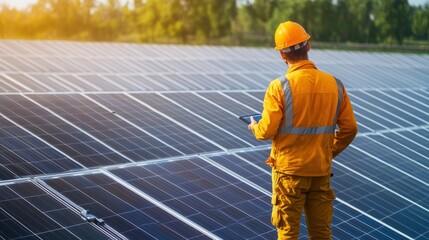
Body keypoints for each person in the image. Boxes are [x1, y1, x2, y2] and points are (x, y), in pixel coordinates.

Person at [247, 21, 358, 239]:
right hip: (320, 170)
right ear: (308, 47)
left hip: (289, 175)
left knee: (288, 233)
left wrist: (254, 127)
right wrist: (328, 152)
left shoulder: (279, 87)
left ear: (282, 55)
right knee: (321, 232)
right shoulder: (335, 84)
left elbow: (267, 131)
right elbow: (350, 128)